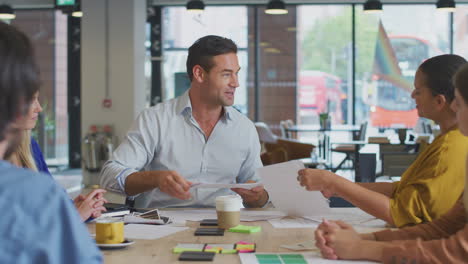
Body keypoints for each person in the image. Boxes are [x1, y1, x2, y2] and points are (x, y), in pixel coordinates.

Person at [313, 62, 468, 263]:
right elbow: (444, 229)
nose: (454, 106)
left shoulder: (453, 146)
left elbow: (458, 251)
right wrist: (363, 239)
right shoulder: (447, 141)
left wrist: (363, 247)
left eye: (461, 102)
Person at [100, 35, 268, 208]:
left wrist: (258, 196)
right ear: (199, 74)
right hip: (162, 226)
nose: (236, 83)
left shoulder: (244, 128)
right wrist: (155, 178)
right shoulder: (155, 120)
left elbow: (261, 193)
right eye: (226, 74)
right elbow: (110, 175)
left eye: (236, 73)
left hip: (225, 224)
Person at [0, 21, 102, 263]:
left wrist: (64, 210)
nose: (37, 108)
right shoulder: (32, 196)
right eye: (31, 98)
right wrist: (64, 214)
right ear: (17, 104)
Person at [8, 90, 108, 221]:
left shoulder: (30, 146)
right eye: (31, 100)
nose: (39, 108)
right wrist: (74, 217)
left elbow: (50, 198)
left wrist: (76, 207)